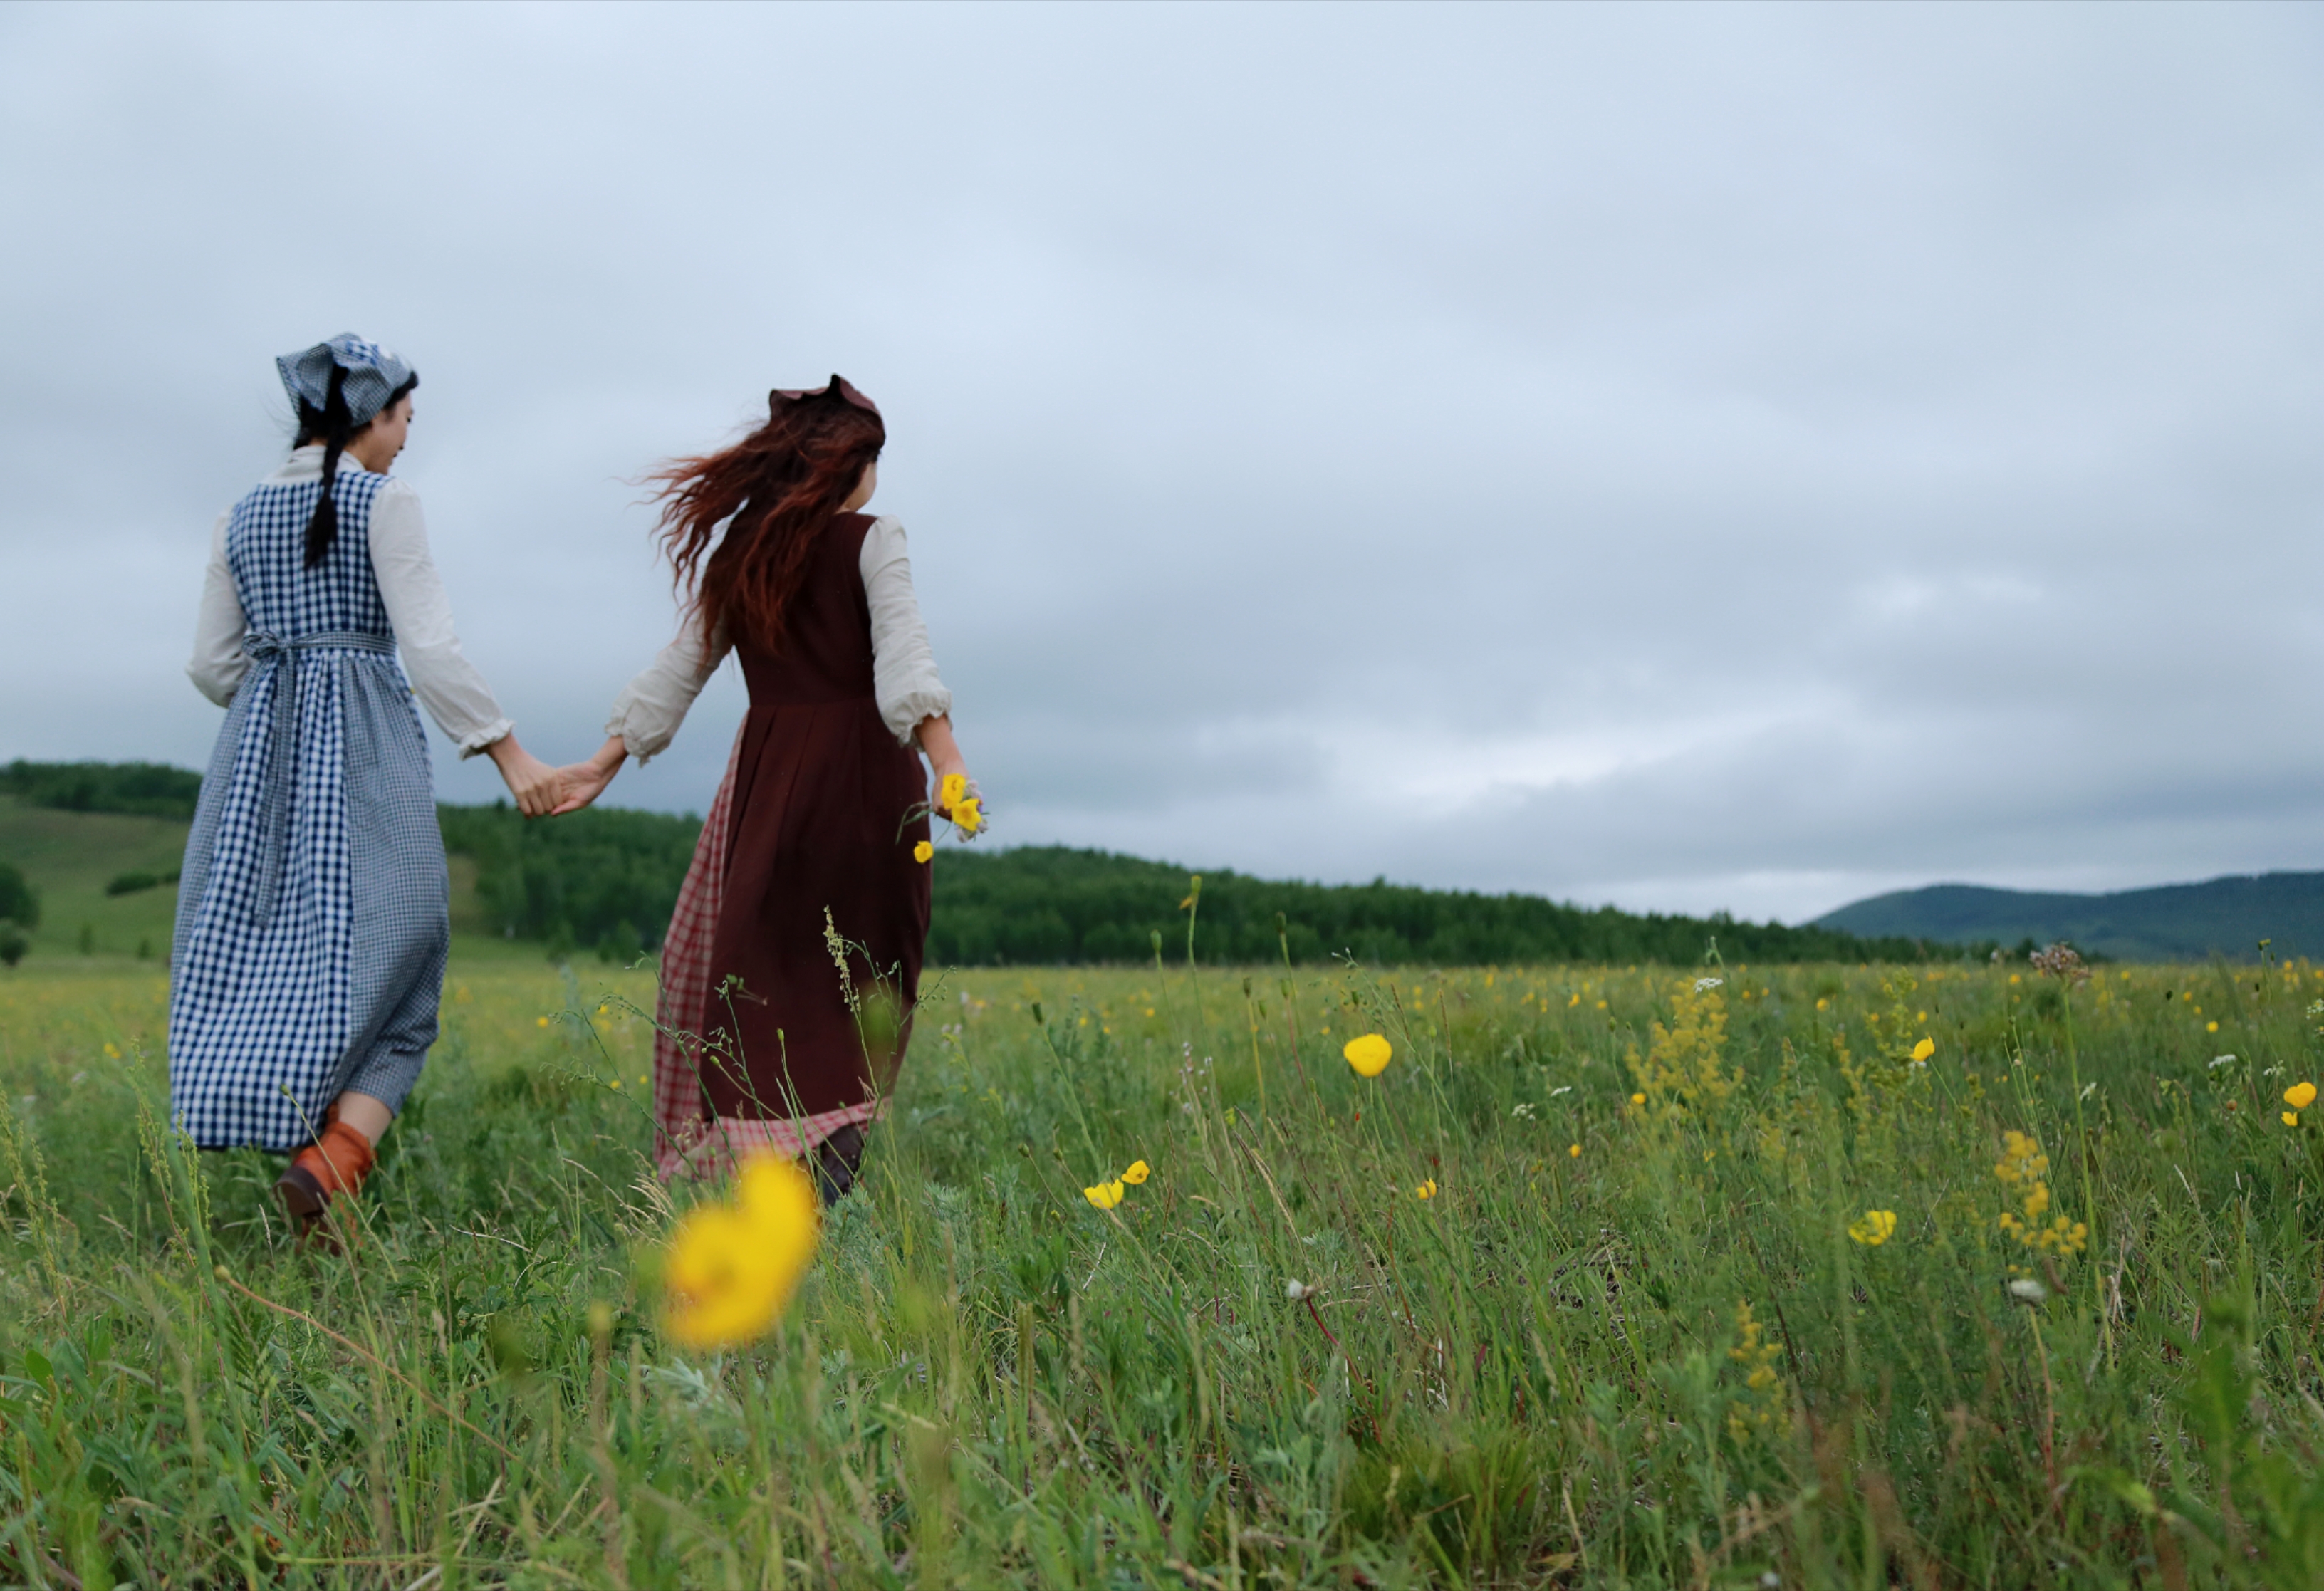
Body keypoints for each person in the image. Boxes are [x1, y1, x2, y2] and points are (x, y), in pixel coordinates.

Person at [175, 334, 563, 1241]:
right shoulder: (385, 502)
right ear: (368, 418)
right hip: (364, 749)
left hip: (256, 757)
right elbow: (429, 648)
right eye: (402, 421)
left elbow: (208, 663)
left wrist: (279, 697)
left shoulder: (239, 514)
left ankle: (319, 1179)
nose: (405, 441)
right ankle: (332, 1160)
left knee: (284, 957)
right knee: (409, 947)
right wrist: (510, 755)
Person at [553, 377, 974, 1202]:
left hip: (769, 783)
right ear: (847, 466)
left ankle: (776, 1156)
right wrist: (947, 762)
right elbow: (905, 659)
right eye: (872, 460)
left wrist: (604, 759)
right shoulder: (872, 537)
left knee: (746, 969)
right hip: (866, 781)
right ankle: (830, 1142)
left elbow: (680, 670)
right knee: (855, 974)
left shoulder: (743, 553)